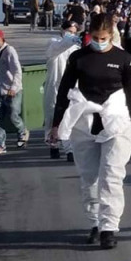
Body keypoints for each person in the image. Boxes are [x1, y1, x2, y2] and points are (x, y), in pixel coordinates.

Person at [49, 14, 131, 250]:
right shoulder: (78, 58)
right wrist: (56, 123)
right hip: (85, 121)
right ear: (89, 34)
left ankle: (109, 227)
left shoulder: (124, 59)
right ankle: (94, 223)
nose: (99, 42)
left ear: (111, 35)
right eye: (95, 38)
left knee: (112, 176)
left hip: (117, 121)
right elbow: (64, 91)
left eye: (104, 38)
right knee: (89, 177)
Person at [44, 21, 81, 160]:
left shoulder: (75, 48)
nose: (71, 33)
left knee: (68, 117)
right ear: (62, 30)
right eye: (69, 30)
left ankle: (69, 149)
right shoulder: (53, 42)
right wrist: (71, 39)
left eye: (73, 31)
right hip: (54, 85)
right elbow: (59, 47)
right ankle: (53, 146)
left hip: (70, 86)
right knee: (52, 116)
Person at [0, 29, 28, 154]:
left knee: (13, 115)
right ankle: (0, 143)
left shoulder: (10, 51)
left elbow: (17, 70)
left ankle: (22, 131)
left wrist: (14, 87)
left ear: (1, 38)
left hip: (12, 90)